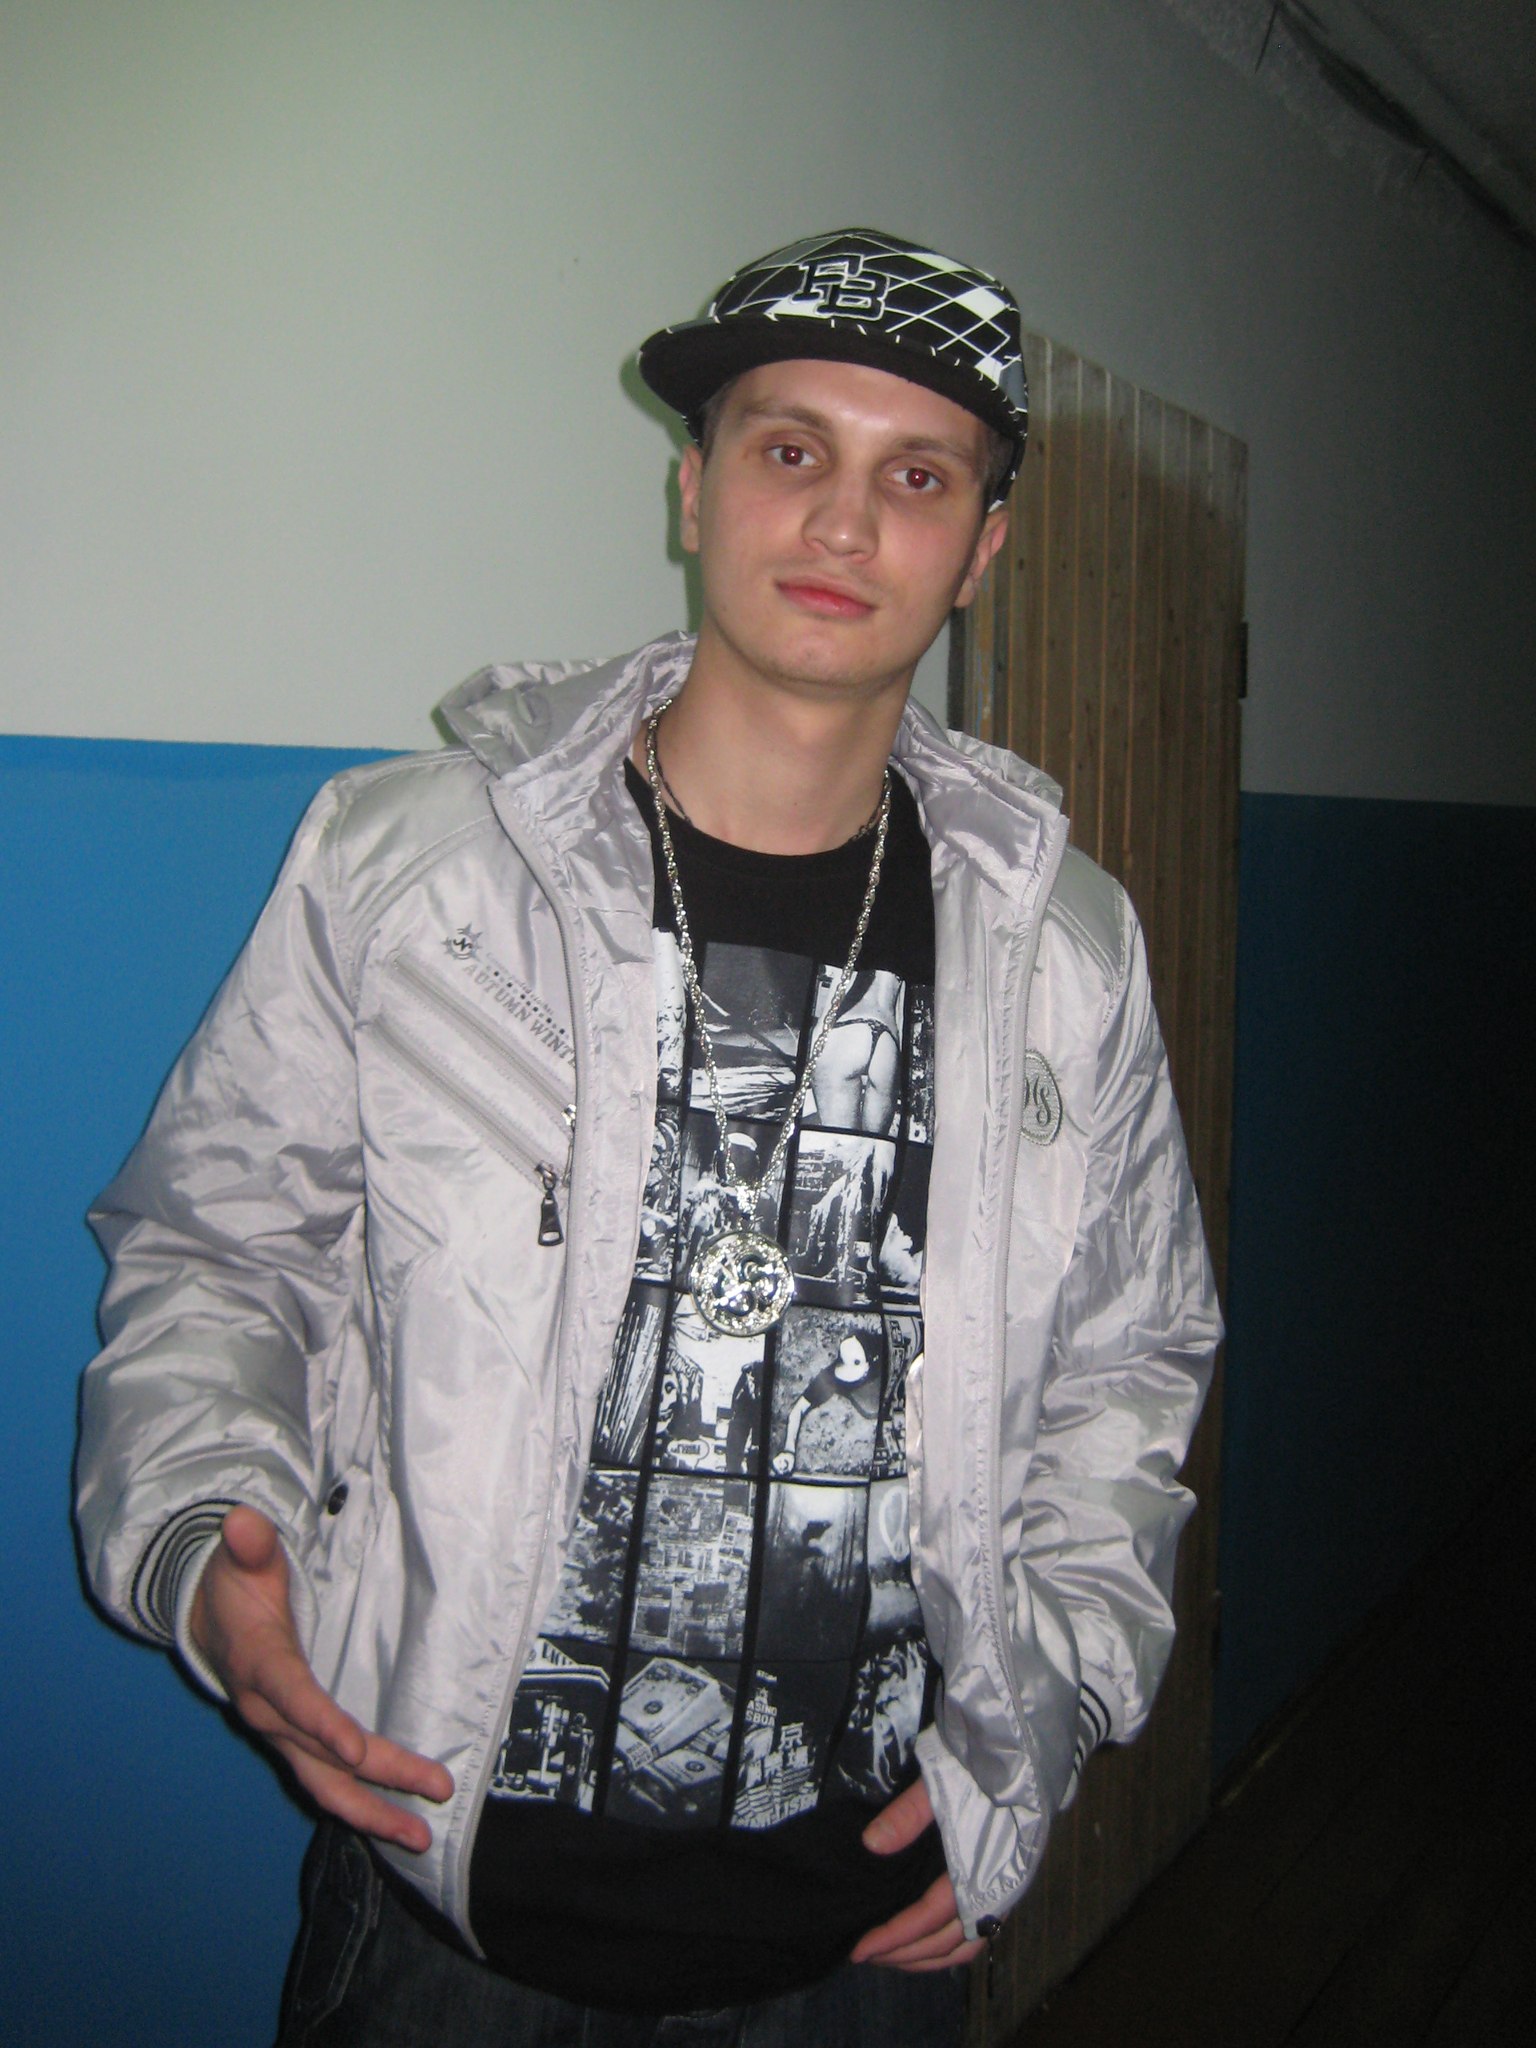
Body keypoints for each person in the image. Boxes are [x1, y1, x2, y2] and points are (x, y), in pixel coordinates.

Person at [76, 227, 1221, 2045]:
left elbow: (1131, 1361)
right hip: (447, 1910)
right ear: (692, 488)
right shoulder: (413, 868)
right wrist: (211, 1544)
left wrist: (1053, 1707)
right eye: (791, 449)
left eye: (918, 478)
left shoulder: (1063, 949)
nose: (843, 523)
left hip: (859, 1957)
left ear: (984, 549)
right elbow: (219, 1245)